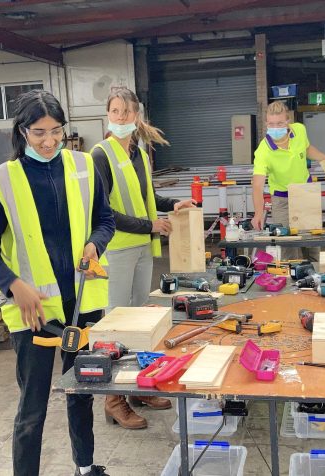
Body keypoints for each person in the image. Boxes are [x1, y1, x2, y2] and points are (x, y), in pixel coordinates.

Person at [0, 90, 115, 476]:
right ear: (22, 131)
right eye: (38, 132)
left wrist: (94, 243)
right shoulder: (3, 180)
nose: (49, 141)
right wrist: (12, 284)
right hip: (33, 313)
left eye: (56, 131)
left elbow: (106, 220)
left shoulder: (85, 166)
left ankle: (85, 467)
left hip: (82, 305)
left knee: (81, 392)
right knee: (32, 407)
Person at [92, 86, 194, 429]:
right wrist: (150, 225)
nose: (120, 118)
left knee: (139, 323)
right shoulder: (100, 154)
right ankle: (112, 399)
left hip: (141, 248)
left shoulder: (137, 152)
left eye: (127, 112)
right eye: (115, 111)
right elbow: (103, 211)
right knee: (116, 325)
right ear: (108, 115)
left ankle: (136, 387)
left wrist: (172, 205)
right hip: (118, 249)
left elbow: (145, 194)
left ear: (137, 116)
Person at [250, 100, 325, 232]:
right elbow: (257, 186)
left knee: (311, 242)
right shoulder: (263, 151)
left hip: (305, 191)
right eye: (271, 124)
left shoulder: (299, 129)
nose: (275, 127)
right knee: (286, 243)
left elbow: (306, 148)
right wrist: (258, 213)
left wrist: (323, 158)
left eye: (280, 123)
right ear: (266, 123)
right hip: (282, 199)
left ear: (288, 121)